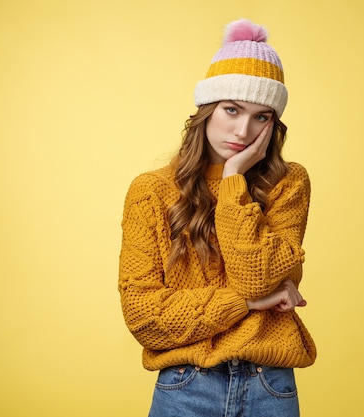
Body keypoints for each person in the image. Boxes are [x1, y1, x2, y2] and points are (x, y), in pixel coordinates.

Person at [118, 18, 316, 417]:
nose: (243, 130)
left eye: (262, 116)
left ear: (274, 124)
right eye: (232, 109)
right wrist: (249, 302)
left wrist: (232, 179)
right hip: (186, 384)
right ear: (207, 109)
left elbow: (257, 275)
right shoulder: (151, 191)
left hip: (269, 383)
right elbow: (144, 317)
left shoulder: (288, 183)